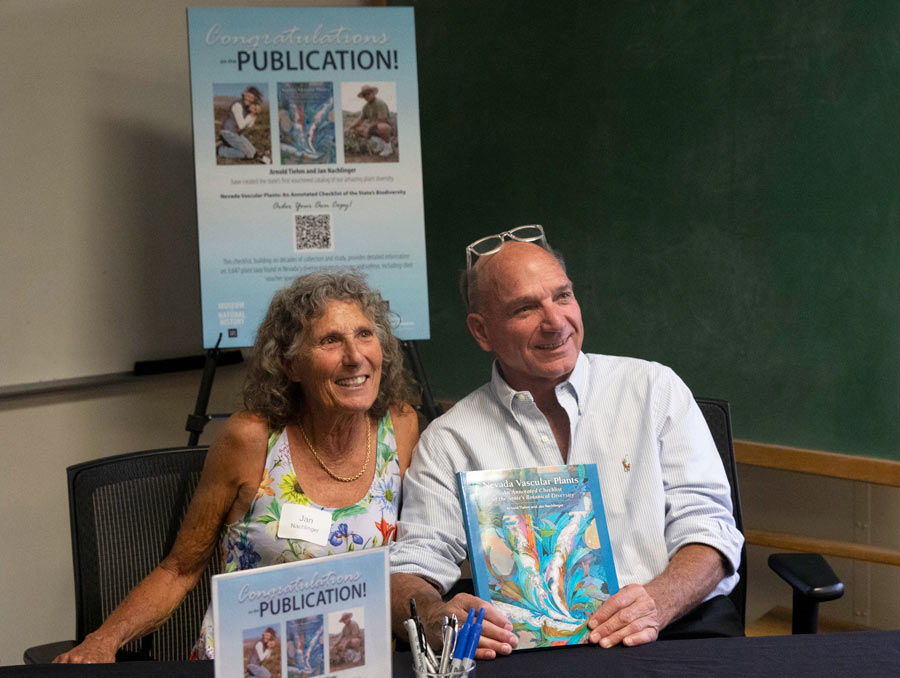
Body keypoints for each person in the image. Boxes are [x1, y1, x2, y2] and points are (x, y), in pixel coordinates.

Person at [390, 227, 744, 659]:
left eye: (562, 296)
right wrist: (432, 615)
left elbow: (710, 528)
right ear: (482, 332)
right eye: (525, 308)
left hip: (673, 627)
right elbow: (413, 565)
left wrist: (661, 600)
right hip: (528, 650)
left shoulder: (654, 388)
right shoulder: (450, 439)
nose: (555, 322)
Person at [55, 271, 420, 663]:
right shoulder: (251, 440)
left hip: (356, 664)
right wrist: (103, 640)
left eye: (365, 334)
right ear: (291, 364)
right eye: (330, 340)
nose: (355, 356)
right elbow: (179, 569)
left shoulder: (399, 427)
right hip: (251, 664)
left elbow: (417, 555)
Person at [219, 86, 266, 162]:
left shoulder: (247, 108)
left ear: (254, 99)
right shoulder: (238, 106)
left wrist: (254, 114)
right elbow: (241, 126)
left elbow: (250, 125)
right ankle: (221, 150)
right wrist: (251, 114)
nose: (248, 99)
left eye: (251, 97)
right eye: (247, 96)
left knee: (253, 152)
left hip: (236, 134)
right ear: (244, 95)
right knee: (249, 154)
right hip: (228, 132)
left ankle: (228, 145)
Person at [351, 85, 393, 157]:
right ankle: (380, 144)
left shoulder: (380, 103)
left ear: (373, 93)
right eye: (364, 95)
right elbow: (360, 120)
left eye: (368, 93)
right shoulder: (365, 107)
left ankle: (388, 148)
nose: (367, 96)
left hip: (387, 126)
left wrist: (369, 127)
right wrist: (351, 127)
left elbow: (383, 120)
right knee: (357, 128)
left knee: (382, 127)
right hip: (374, 126)